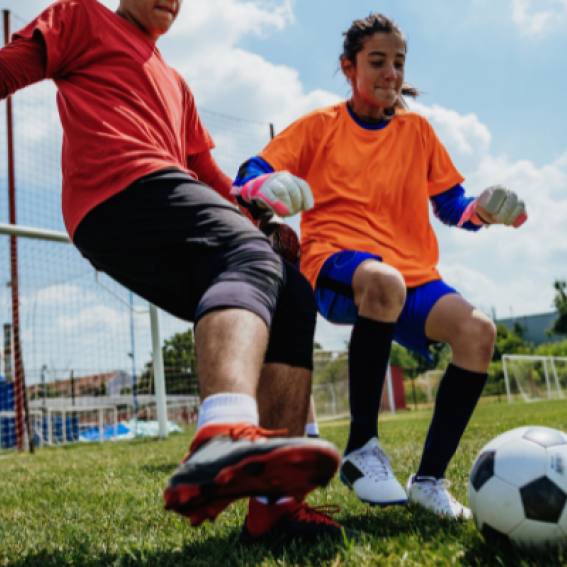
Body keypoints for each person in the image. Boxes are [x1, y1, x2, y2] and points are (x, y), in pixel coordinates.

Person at [0, 0, 359, 542]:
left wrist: (250, 203)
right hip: (117, 191)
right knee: (251, 258)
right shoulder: (80, 16)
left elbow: (206, 172)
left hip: (164, 196)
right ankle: (222, 432)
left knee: (293, 296)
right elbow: (9, 67)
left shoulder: (175, 81)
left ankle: (276, 509)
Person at [232, 13, 527, 519]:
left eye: (398, 62)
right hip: (336, 265)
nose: (391, 73)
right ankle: (362, 449)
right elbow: (253, 171)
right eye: (377, 62)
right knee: (384, 282)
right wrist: (260, 189)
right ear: (349, 68)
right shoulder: (320, 126)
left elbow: (452, 205)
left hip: (411, 275)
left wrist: (484, 209)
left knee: (479, 332)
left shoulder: (417, 131)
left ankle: (429, 480)